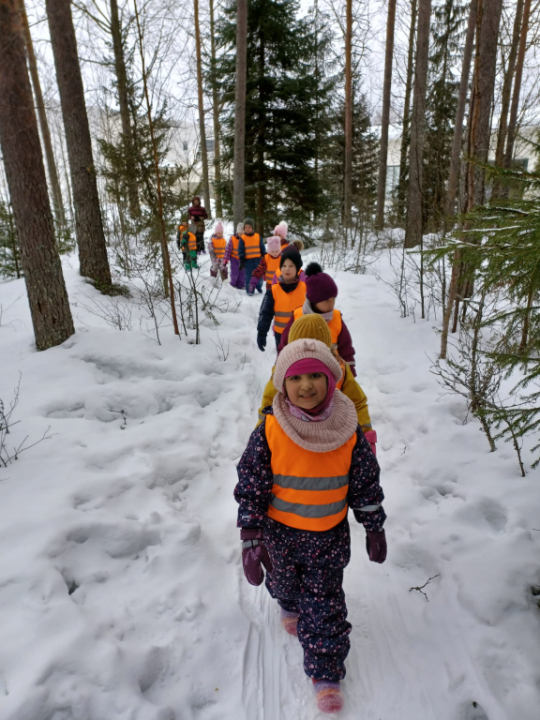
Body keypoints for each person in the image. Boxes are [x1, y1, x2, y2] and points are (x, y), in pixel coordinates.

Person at [234, 338, 387, 714]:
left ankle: (325, 672)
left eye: (316, 375)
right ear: (282, 384)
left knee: (325, 604)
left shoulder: (347, 430)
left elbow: (364, 481)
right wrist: (251, 537)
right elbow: (252, 483)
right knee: (286, 586)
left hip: (328, 537)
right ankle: (287, 603)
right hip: (280, 535)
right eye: (296, 378)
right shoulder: (270, 429)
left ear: (332, 380)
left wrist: (373, 524)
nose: (306, 386)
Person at [256, 314, 376, 454]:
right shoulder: (283, 371)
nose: (306, 385)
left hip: (333, 437)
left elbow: (357, 403)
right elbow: (268, 405)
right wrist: (260, 436)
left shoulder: (341, 368)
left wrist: (367, 438)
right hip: (291, 437)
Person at [279, 262, 357, 376]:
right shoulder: (298, 316)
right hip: (303, 378)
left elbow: (346, 349)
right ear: (314, 300)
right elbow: (285, 346)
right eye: (326, 300)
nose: (331, 303)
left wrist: (350, 374)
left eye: (333, 298)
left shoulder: (336, 317)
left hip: (335, 379)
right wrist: (281, 369)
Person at [257, 246, 306, 351]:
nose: (287, 268)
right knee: (283, 362)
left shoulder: (305, 289)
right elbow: (265, 313)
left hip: (301, 334)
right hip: (281, 335)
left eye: (291, 266)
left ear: (297, 269)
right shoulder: (273, 291)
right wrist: (262, 332)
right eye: (283, 266)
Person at [238, 217, 265, 295]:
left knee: (259, 275)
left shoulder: (257, 236)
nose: (247, 229)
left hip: (258, 260)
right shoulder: (242, 238)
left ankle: (258, 286)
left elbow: (262, 247)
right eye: (245, 227)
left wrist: (265, 256)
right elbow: (241, 250)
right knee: (249, 277)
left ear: (252, 227)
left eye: (249, 227)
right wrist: (242, 260)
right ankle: (250, 290)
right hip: (248, 261)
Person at [224, 222, 246, 289]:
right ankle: (233, 284)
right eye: (239, 233)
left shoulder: (246, 239)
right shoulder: (233, 239)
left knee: (242, 273)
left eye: (242, 233)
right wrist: (226, 258)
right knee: (235, 272)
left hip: (243, 259)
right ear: (237, 232)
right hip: (234, 259)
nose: (241, 235)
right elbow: (228, 249)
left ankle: (241, 285)